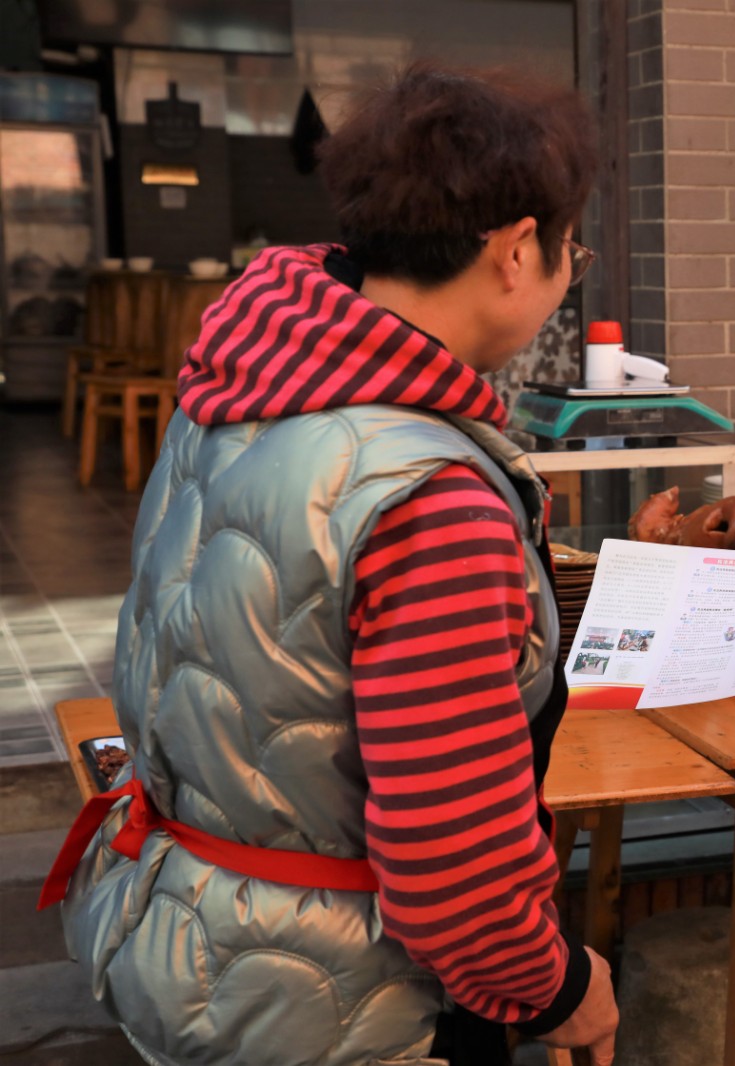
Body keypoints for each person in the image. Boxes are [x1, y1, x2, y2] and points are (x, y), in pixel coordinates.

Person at [42, 63, 619, 1066]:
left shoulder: (235, 393)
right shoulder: (427, 496)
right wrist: (556, 986)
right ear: (518, 249)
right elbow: (456, 865)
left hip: (186, 936)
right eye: (573, 250)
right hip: (348, 1003)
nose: (569, 271)